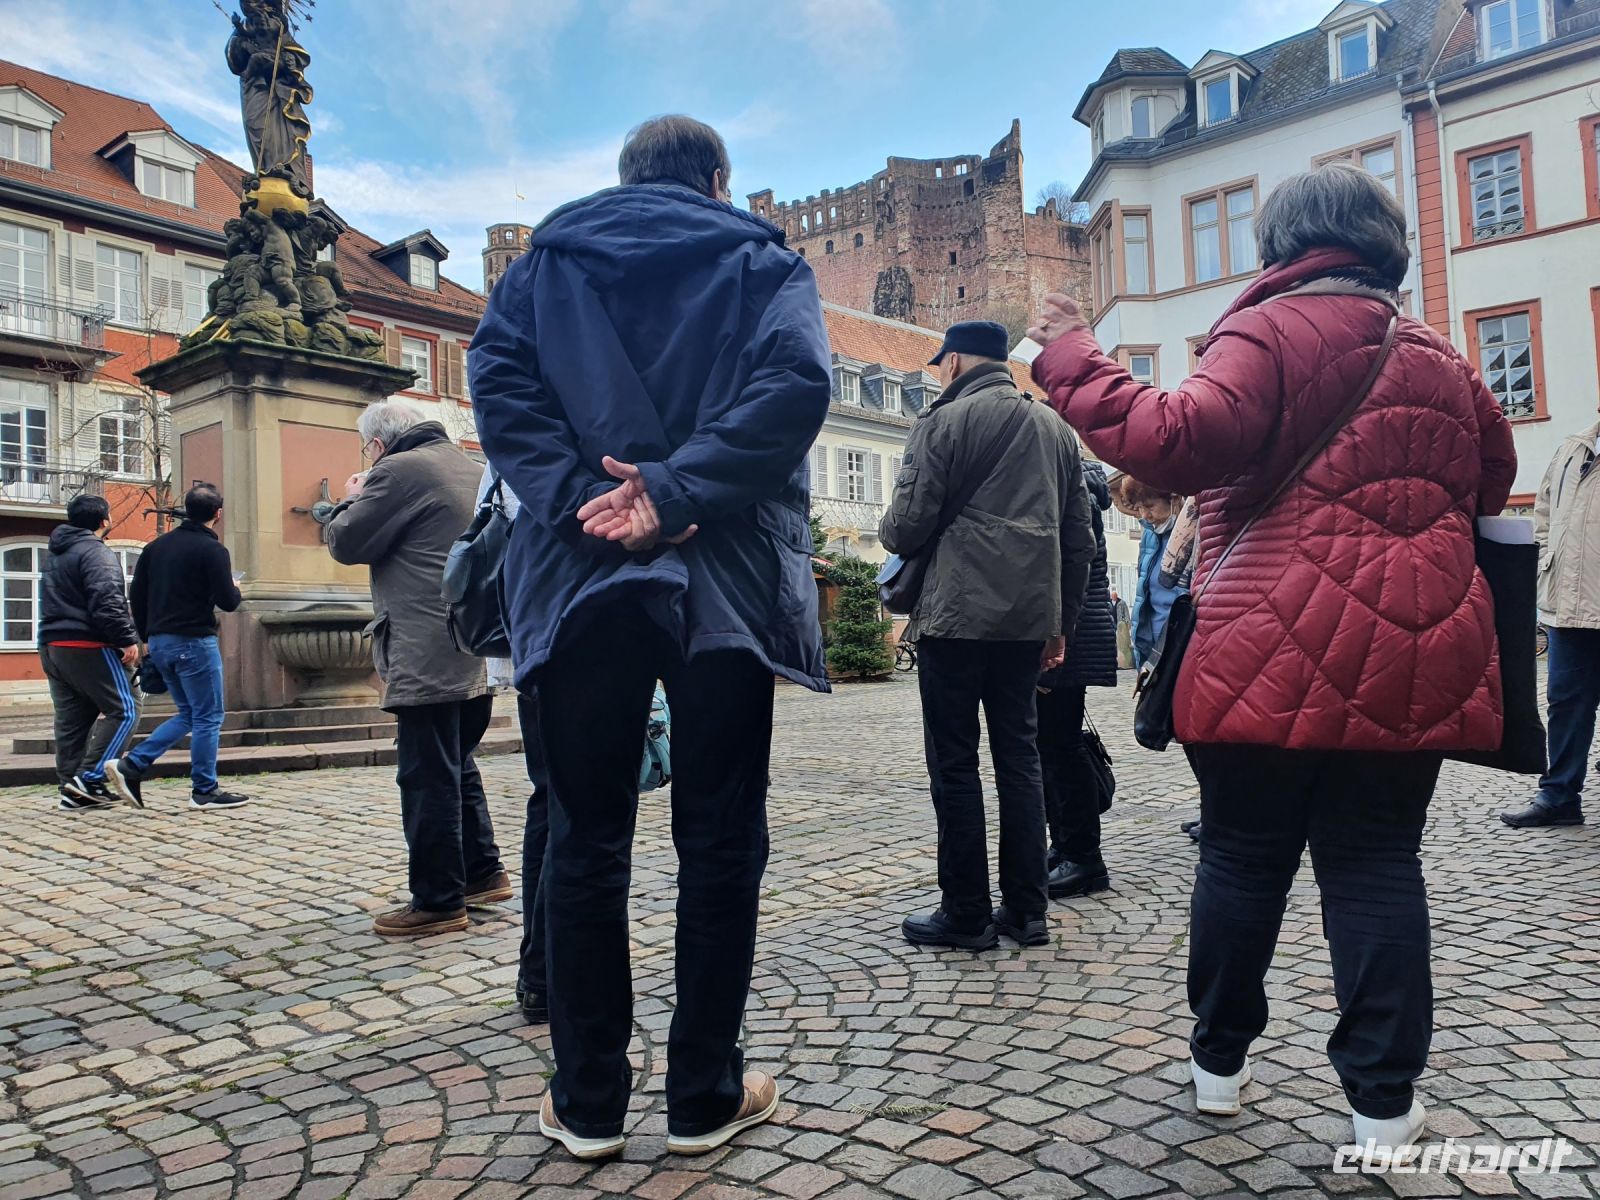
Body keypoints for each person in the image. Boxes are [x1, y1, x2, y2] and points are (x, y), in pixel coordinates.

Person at [1029, 162, 1516, 1153]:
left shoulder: (1266, 329)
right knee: (1377, 868)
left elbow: (1173, 438)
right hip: (1413, 654)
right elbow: (1493, 479)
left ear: (1282, 248)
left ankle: (1218, 1066)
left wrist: (1069, 349)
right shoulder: (1439, 356)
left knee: (1244, 861)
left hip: (1260, 644)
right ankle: (1382, 1105)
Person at [471, 114, 830, 1161]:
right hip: (721, 574)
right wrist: (670, 495)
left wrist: (593, 499)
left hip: (577, 576)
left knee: (583, 838)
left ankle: (586, 1102)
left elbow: (502, 393)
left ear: (626, 178)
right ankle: (703, 1095)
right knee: (718, 836)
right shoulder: (765, 263)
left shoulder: (540, 271)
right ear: (717, 179)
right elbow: (792, 387)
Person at [880, 319, 1095, 952]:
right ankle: (1028, 912)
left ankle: (967, 912)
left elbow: (902, 529)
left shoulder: (941, 425)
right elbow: (1077, 540)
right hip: (1028, 622)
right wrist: (1063, 623)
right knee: (1020, 762)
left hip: (955, 619)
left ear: (952, 363)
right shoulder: (1056, 430)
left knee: (955, 765)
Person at [326, 398, 509, 939]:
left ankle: (437, 901)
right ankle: (482, 872)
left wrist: (350, 497)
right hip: (474, 643)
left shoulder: (397, 471)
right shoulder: (467, 465)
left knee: (426, 775)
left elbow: (345, 541)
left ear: (377, 444)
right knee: (457, 764)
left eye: (368, 450)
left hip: (425, 647)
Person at [117, 484, 247, 811]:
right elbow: (228, 603)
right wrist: (234, 587)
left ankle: (132, 764)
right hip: (193, 642)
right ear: (218, 514)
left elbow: (137, 597)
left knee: (189, 713)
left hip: (159, 642)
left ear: (186, 510)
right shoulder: (212, 551)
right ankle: (204, 790)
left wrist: (146, 638)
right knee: (208, 716)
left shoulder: (155, 548)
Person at [1503, 420, 1600, 828]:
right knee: (1565, 702)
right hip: (1568, 603)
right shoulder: (1573, 448)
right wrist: (1546, 558)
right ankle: (1559, 796)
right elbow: (1543, 512)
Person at [1038, 461, 1118, 898]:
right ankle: (1066, 845)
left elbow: (1070, 566)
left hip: (1069, 632)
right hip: (1071, 628)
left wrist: (1056, 635)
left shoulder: (1072, 489)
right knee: (1052, 746)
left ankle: (1084, 857)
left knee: (1061, 748)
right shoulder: (1073, 484)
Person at [37, 494, 142, 811]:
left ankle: (71, 789)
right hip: (88, 645)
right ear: (104, 521)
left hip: (52, 646)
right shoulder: (96, 552)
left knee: (72, 722)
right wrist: (126, 639)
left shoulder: (56, 553)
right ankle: (90, 779)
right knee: (125, 709)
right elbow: (107, 600)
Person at [1111, 476, 1186, 670]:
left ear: (1174, 499)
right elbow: (1144, 594)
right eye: (1139, 508)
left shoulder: (1194, 534)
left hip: (1182, 643)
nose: (1145, 515)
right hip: (1151, 643)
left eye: (1150, 506)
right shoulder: (1149, 535)